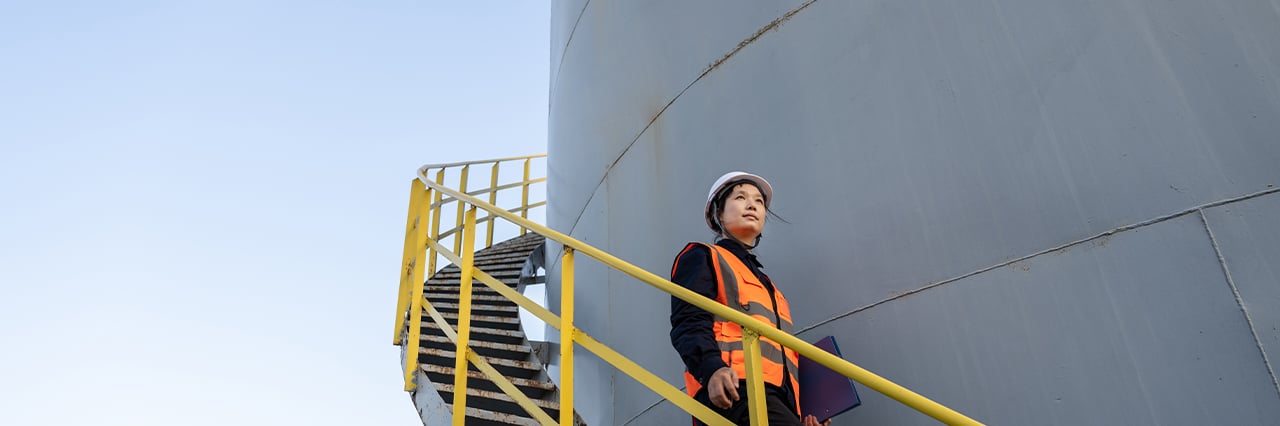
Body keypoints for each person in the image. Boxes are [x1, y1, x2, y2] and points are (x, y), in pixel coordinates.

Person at [669, 172, 830, 426]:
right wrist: (711, 369)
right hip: (734, 390)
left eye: (759, 201)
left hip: (776, 400)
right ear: (718, 214)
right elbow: (689, 322)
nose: (752, 204)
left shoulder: (770, 288)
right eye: (741, 197)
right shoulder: (703, 256)